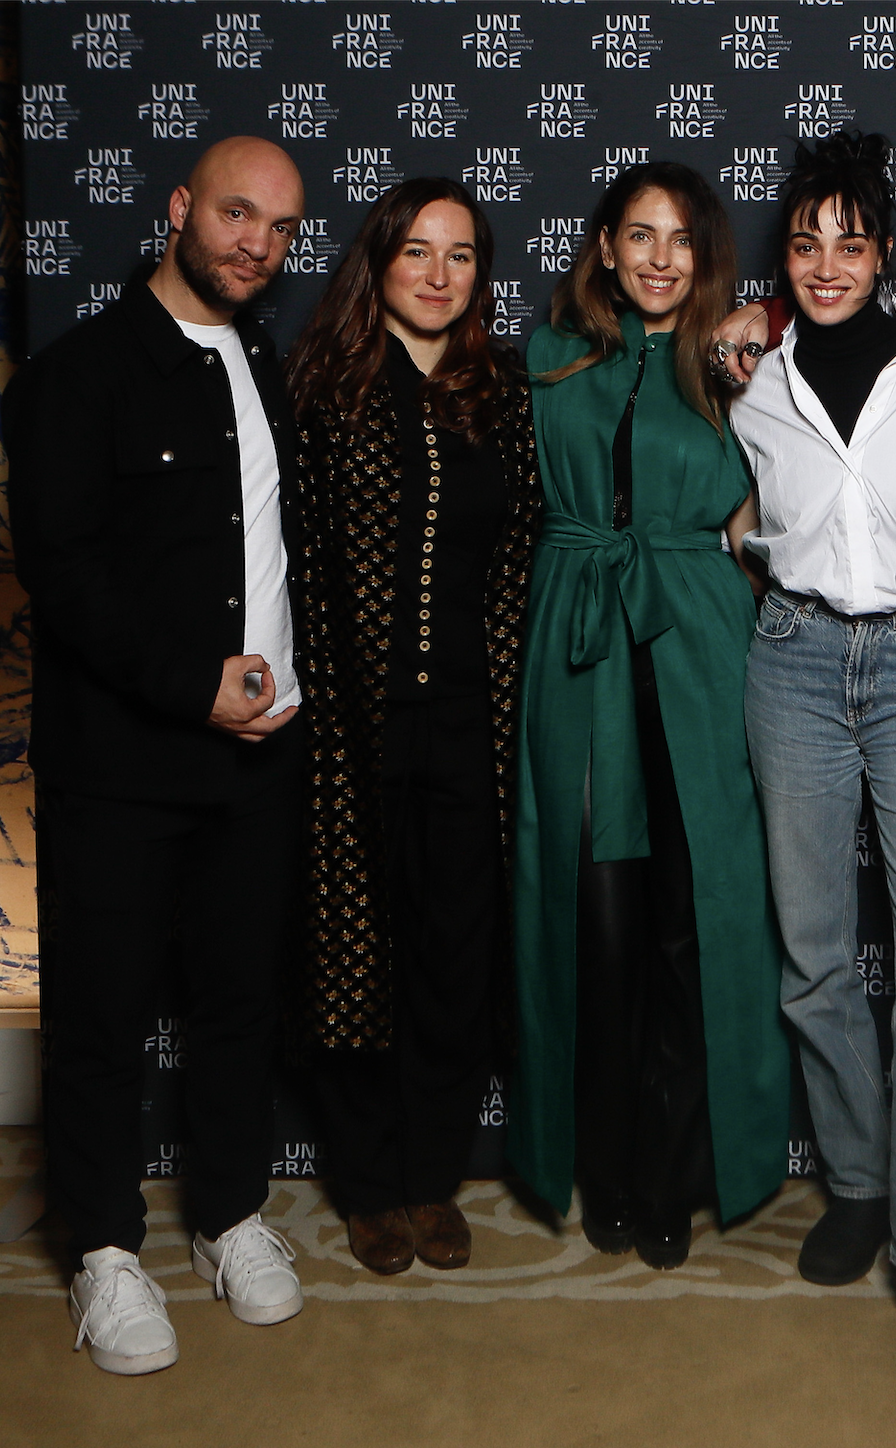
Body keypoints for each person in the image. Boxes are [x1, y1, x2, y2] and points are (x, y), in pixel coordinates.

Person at [4, 135, 310, 1374]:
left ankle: (230, 1212)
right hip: (122, 761)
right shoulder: (78, 375)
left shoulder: (264, 361)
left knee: (240, 998)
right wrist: (195, 686)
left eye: (281, 228)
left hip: (262, 760)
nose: (257, 244)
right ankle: (104, 1245)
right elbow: (61, 572)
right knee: (103, 1010)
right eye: (237, 214)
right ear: (181, 209)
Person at [718, 130, 896, 1390]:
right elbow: (743, 511)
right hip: (792, 661)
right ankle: (862, 1182)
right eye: (805, 243)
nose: (827, 264)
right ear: (783, 257)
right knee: (817, 955)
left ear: (887, 253)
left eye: (853, 242)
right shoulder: (752, 379)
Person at [508, 163, 791, 1272]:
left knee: (688, 921)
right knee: (600, 925)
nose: (660, 258)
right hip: (579, 649)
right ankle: (609, 1165)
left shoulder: (735, 365)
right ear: (606, 248)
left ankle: (675, 1173)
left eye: (681, 239)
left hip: (697, 650)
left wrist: (768, 325)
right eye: (639, 235)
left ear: (706, 254)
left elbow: (768, 515)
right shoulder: (548, 357)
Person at [286, 178, 541, 1276]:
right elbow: (294, 563)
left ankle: (432, 1173)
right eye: (418, 251)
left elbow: (526, 549)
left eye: (462, 255)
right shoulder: (325, 386)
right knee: (355, 947)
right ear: (379, 258)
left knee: (455, 951)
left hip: (472, 724)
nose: (439, 275)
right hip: (352, 723)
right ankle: (367, 1182)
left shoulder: (505, 389)